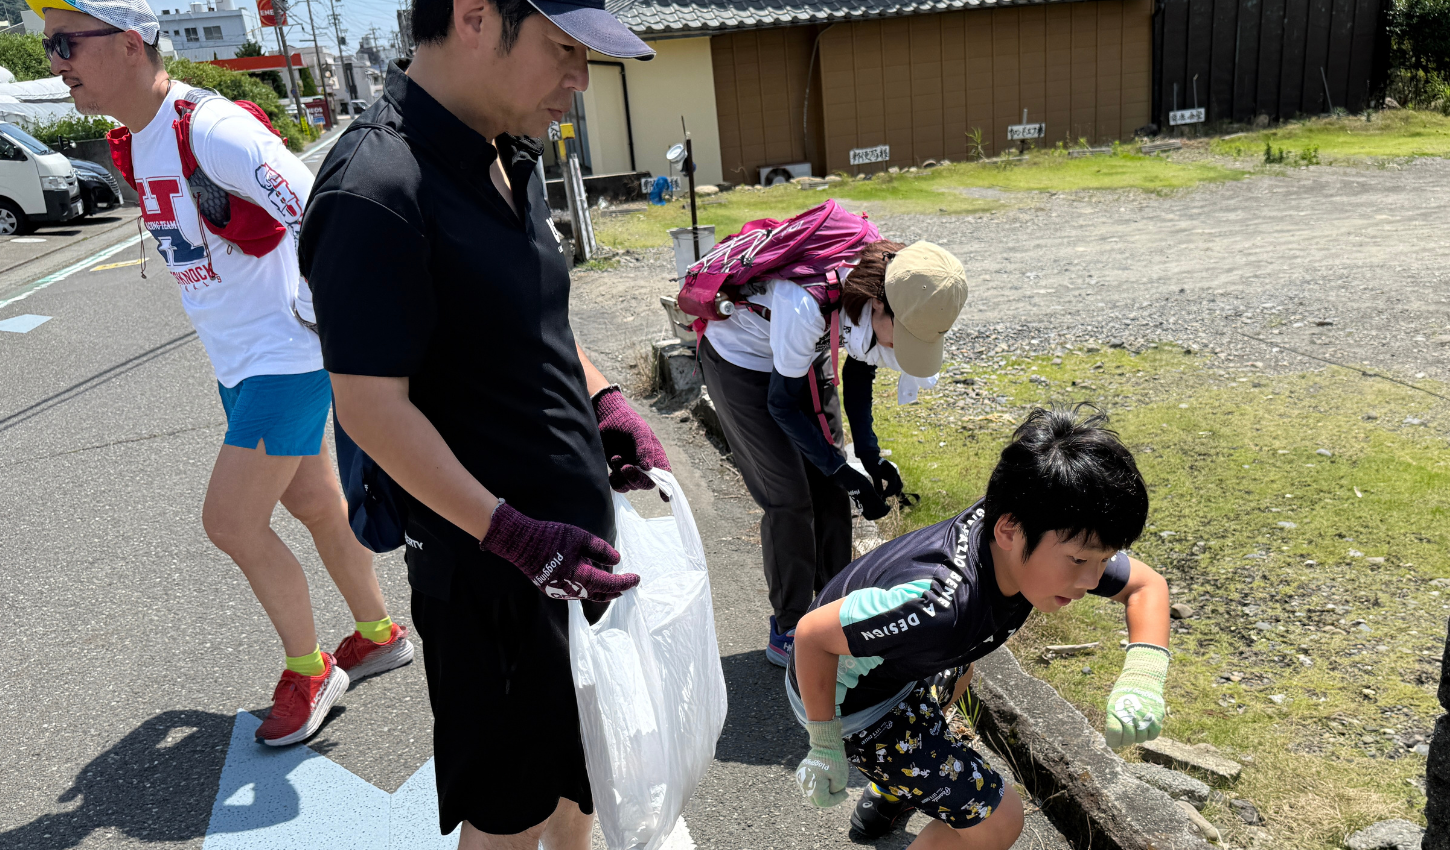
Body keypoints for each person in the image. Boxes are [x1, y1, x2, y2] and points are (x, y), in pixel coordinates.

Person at [296, 0, 664, 846]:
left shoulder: (510, 151)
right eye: (563, 49)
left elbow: (533, 318)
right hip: (489, 581)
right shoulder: (376, 188)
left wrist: (603, 400)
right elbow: (369, 407)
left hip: (571, 561)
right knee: (507, 818)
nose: (580, 80)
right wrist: (515, 537)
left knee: (581, 783)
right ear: (472, 17)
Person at [34, 0, 413, 746]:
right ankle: (378, 633)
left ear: (132, 44)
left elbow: (326, 210)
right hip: (239, 364)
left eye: (66, 42)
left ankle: (309, 671)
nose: (56, 62)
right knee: (316, 504)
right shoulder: (139, 136)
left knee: (231, 523)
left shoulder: (212, 128)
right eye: (49, 46)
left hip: (285, 361)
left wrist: (320, 316)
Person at [788, 406, 1172, 847]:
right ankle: (897, 776)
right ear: (1009, 530)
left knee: (962, 670)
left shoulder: (1026, 522)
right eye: (1080, 560)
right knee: (999, 820)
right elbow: (812, 636)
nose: (1091, 581)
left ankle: (895, 788)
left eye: (1105, 559)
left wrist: (1143, 678)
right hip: (848, 705)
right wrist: (824, 745)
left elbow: (1146, 585)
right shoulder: (937, 606)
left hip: (897, 664)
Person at [699, 239, 969, 666]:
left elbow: (860, 369)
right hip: (742, 363)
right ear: (878, 306)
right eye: (904, 338)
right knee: (789, 498)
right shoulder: (805, 304)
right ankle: (789, 627)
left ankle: (832, 611)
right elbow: (781, 405)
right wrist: (843, 471)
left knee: (833, 492)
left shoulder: (900, 284)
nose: (901, 349)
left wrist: (869, 458)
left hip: (805, 359)